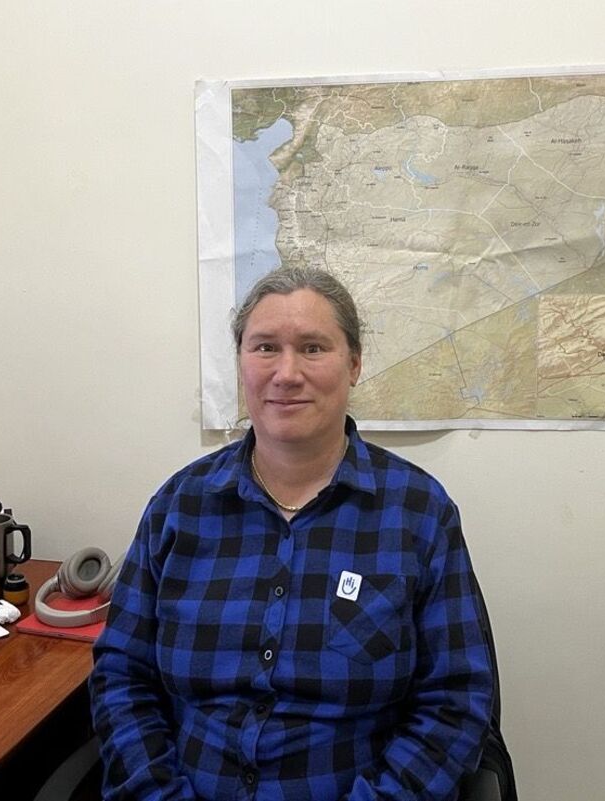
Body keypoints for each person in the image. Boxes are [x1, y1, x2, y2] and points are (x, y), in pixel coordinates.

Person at [90, 265, 494, 800]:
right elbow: (122, 676)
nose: (286, 373)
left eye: (311, 348)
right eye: (264, 348)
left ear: (353, 364)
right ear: (241, 364)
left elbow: (456, 700)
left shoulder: (418, 513)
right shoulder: (179, 507)